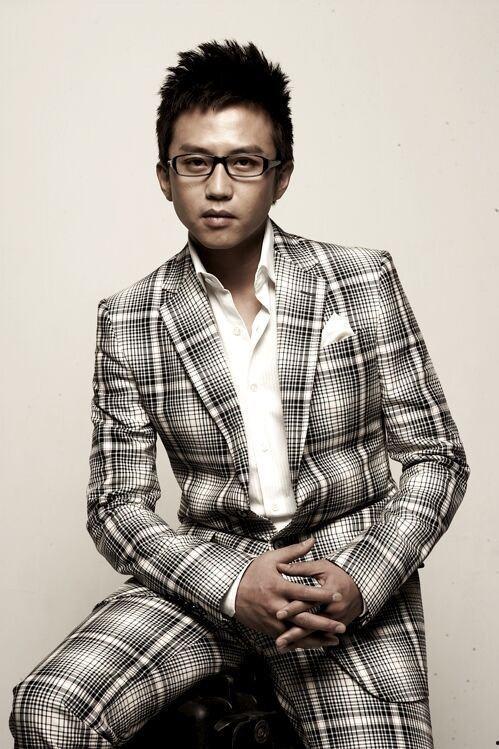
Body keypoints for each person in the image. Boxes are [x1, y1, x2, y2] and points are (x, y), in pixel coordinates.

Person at [9, 39, 470, 748]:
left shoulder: (361, 280)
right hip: (210, 576)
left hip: (342, 576)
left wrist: (363, 579)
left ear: (280, 177)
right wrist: (232, 584)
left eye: (244, 163)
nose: (218, 187)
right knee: (50, 710)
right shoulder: (129, 317)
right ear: (164, 177)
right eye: (194, 163)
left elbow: (437, 458)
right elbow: (115, 505)